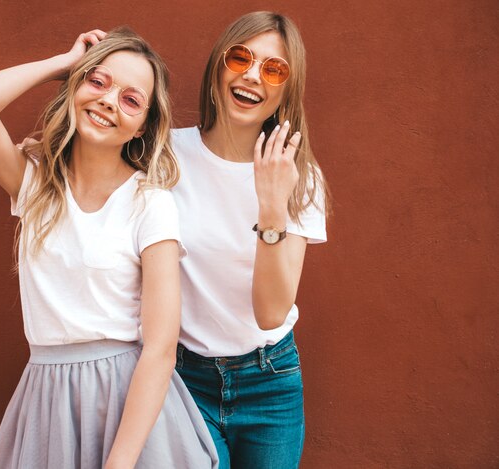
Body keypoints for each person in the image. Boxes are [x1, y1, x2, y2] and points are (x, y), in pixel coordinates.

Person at [0, 27, 218, 469]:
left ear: (142, 127)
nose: (108, 101)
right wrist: (64, 64)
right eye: (97, 82)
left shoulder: (149, 203)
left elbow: (160, 348)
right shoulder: (35, 184)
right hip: (46, 399)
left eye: (131, 100)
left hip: (126, 402)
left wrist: (118, 464)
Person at [170, 11, 329, 469]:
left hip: (270, 381)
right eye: (240, 57)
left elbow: (270, 312)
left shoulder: (300, 177)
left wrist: (272, 206)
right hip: (184, 377)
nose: (253, 75)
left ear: (286, 90)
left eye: (273, 68)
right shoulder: (166, 155)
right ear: (220, 69)